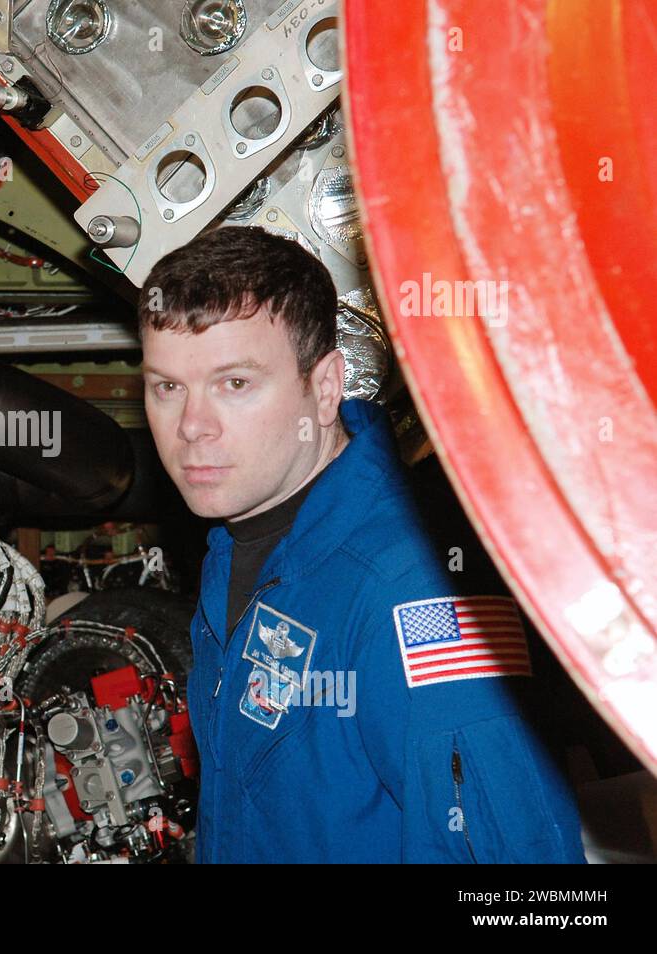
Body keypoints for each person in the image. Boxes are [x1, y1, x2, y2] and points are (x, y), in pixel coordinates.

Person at [139, 226, 586, 863]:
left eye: (234, 383)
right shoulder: (234, 551)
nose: (192, 427)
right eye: (167, 387)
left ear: (325, 390)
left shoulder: (415, 590)